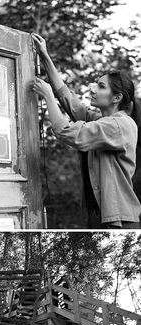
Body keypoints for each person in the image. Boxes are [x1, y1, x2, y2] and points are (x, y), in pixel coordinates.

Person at [32, 33, 141, 229]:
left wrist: (47, 96)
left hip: (118, 221)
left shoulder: (118, 125)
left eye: (101, 86)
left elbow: (65, 130)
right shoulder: (102, 121)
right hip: (99, 215)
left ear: (116, 98)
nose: (93, 89)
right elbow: (69, 101)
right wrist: (45, 56)